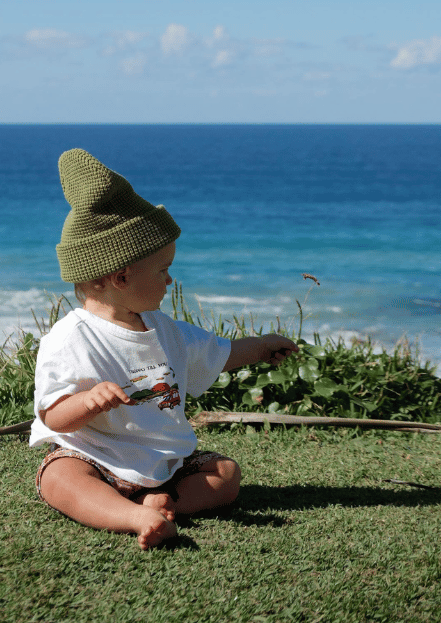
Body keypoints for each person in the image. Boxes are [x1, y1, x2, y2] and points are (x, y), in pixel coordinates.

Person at [31, 148, 298, 549]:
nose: (170, 281)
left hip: (165, 463)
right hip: (96, 455)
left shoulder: (164, 329)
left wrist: (260, 347)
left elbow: (218, 354)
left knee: (225, 474)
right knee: (59, 479)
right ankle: (133, 514)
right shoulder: (70, 338)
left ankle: (164, 501)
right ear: (120, 276)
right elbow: (54, 416)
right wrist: (87, 402)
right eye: (162, 270)